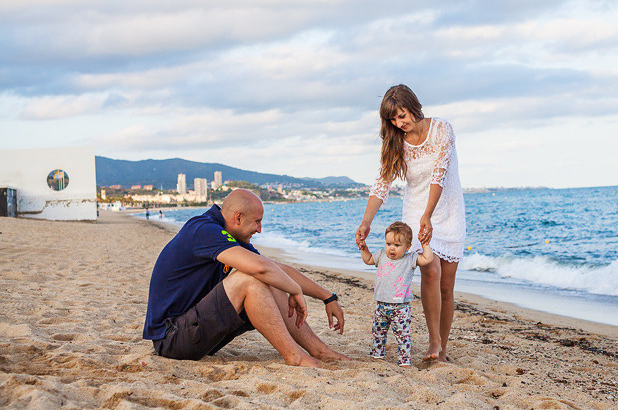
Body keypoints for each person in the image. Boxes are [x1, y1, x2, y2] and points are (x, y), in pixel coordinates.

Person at [143, 189, 347, 367]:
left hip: (194, 331)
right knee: (251, 279)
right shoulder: (204, 230)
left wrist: (327, 296)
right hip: (171, 339)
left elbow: (274, 268)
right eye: (257, 222)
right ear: (238, 218)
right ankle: (294, 356)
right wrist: (294, 290)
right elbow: (260, 269)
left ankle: (320, 350)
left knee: (269, 277)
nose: (260, 229)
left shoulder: (227, 235)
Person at [355, 84, 466, 362]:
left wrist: (429, 214)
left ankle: (443, 348)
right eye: (393, 119)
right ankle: (433, 343)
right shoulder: (395, 141)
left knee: (447, 286)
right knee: (430, 271)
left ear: (413, 106)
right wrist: (367, 221)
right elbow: (381, 184)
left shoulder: (442, 129)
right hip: (416, 211)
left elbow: (439, 176)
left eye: (402, 115)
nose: (399, 123)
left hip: (446, 208)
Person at [357, 221, 434, 366]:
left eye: (397, 246)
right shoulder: (381, 255)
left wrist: (425, 244)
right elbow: (367, 259)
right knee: (378, 331)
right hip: (381, 304)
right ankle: (378, 355)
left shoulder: (410, 258)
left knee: (402, 335)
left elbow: (427, 259)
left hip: (400, 307)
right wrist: (364, 248)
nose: (391, 249)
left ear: (408, 247)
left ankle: (404, 360)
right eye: (388, 244)